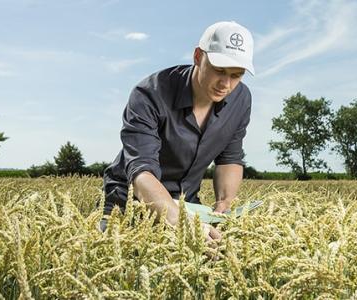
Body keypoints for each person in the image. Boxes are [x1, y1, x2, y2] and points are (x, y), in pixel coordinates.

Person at [100, 21, 254, 243]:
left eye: (236, 74)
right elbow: (142, 173)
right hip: (130, 201)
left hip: (187, 205)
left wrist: (224, 203)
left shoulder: (241, 99)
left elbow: (230, 157)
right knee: (119, 255)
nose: (226, 84)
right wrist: (182, 223)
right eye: (219, 70)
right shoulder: (149, 95)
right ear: (198, 57)